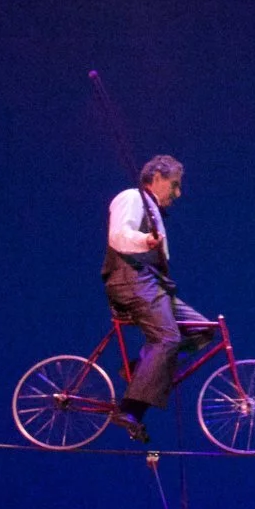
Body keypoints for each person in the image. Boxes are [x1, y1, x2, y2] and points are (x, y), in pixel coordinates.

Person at [101, 154, 217, 443]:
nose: (177, 194)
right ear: (156, 178)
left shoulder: (152, 210)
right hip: (133, 281)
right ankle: (129, 410)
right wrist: (144, 241)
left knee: (203, 330)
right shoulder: (132, 197)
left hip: (154, 284)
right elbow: (118, 235)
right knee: (167, 339)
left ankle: (141, 370)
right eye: (174, 185)